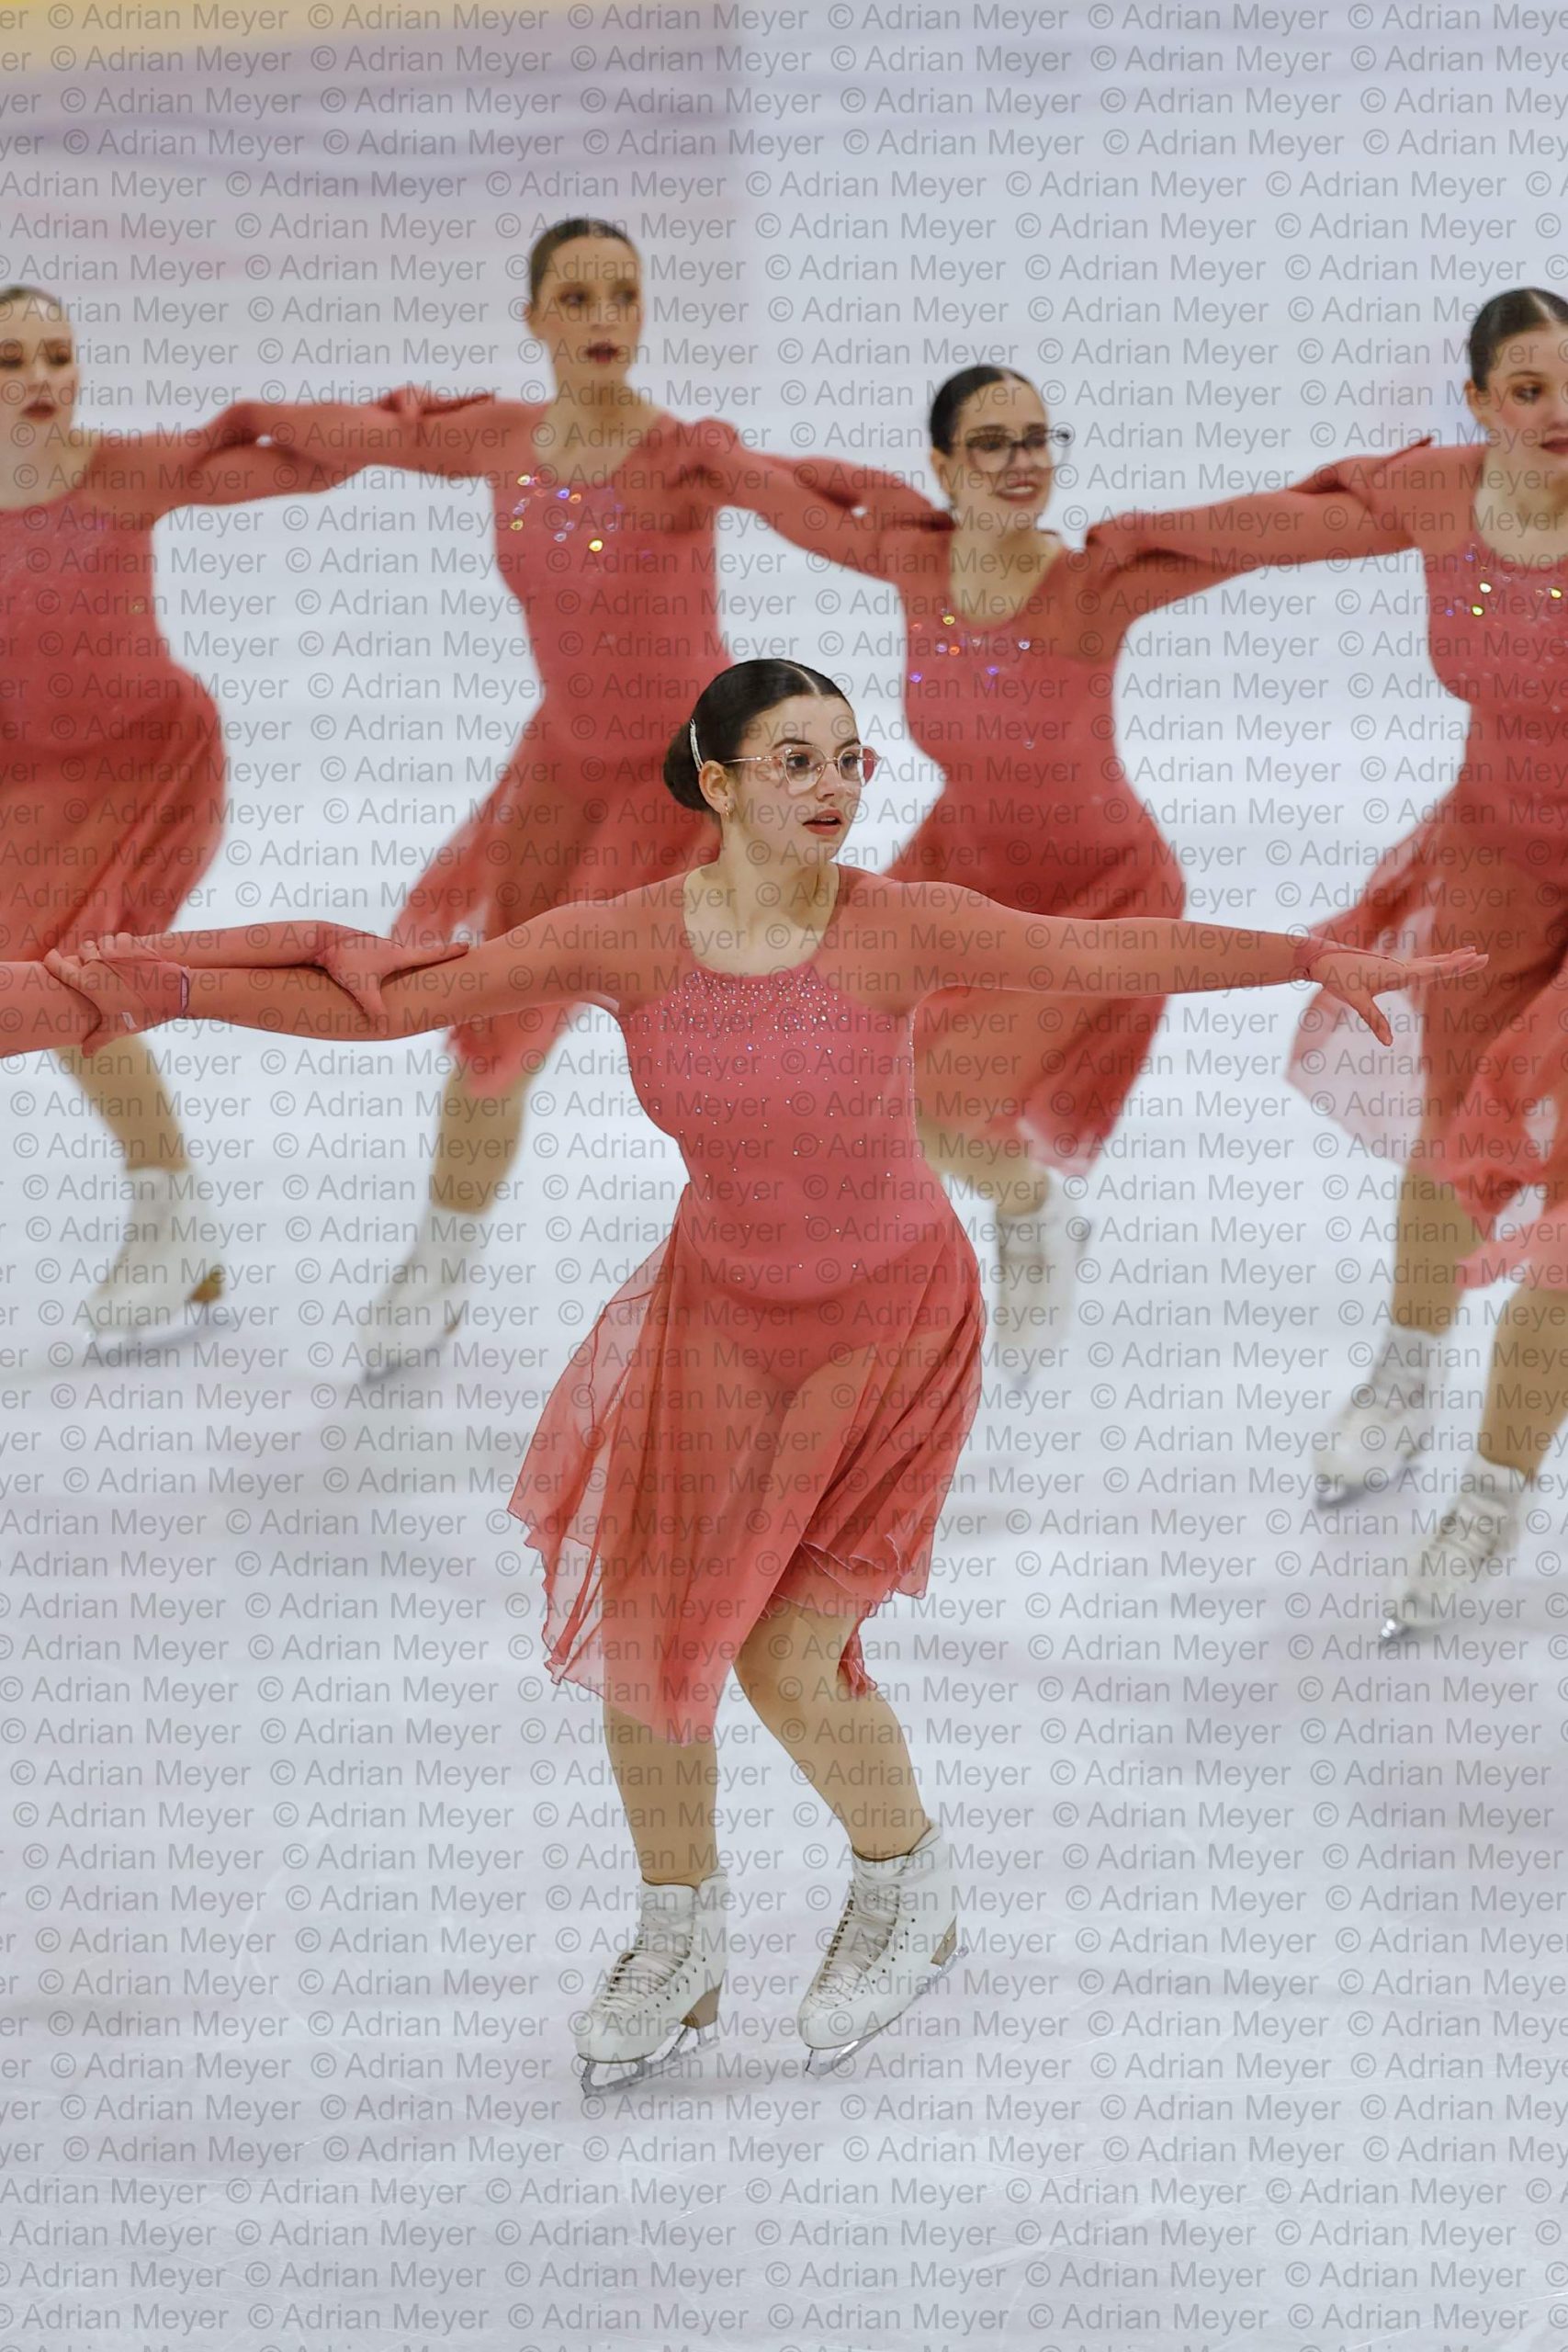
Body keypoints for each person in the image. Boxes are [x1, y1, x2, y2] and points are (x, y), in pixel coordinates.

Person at [33, 661, 1482, 2085]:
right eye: (796, 759)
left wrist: (1305, 959)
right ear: (716, 784)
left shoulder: (897, 927)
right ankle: (679, 1941)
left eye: (849, 758)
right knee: (650, 1647)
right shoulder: (626, 938)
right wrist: (175, 988)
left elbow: (1099, 955)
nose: (834, 785)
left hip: (886, 1328)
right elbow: (389, 1003)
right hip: (717, 1324)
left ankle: (909, 1886)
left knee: (785, 1655)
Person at [224, 220, 926, 1375]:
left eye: (624, 295)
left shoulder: (683, 457)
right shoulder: (504, 439)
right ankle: (442, 1258)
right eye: (579, 296)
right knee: (492, 1032)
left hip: (693, 789)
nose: (605, 317)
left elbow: (813, 518)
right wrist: (240, 421)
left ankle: (838, 1265)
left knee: (758, 1041)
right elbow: (376, 438)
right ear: (536, 318)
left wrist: (930, 543)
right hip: (562, 780)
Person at [1093, 286, 1568, 1639]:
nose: (1558, 412)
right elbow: (1281, 528)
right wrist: (1141, 536)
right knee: (1448, 1133)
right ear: (1475, 404)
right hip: (1495, 855)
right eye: (1526, 388)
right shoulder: (1440, 496)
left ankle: (1493, 1493)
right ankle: (1407, 1374)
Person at [745, 363, 1312, 1379]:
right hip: (962, 871)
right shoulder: (915, 560)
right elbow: (787, 499)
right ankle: (1004, 1221)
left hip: (1094, 897)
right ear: (942, 464)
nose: (1022, 462)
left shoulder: (1091, 586)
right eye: (992, 443)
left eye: (1038, 439)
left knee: (933, 1105)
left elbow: (1267, 536)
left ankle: (1019, 1224)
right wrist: (713, 455)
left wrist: (1408, 496)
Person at [0, 283, 476, 1357]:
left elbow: (291, 467)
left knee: (74, 975)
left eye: (56, 356)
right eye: (11, 360)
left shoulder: (119, 472)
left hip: (141, 768)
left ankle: (171, 1214)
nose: (40, 379)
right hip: (25, 778)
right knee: (48, 990)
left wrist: (388, 424)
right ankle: (174, 1217)